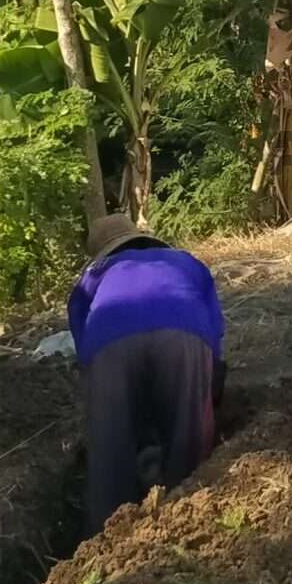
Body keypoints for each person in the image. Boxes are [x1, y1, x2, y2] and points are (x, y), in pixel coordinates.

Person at [67, 215, 226, 528]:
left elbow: (81, 336)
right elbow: (215, 326)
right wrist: (207, 382)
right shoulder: (184, 262)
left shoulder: (96, 272)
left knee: (111, 442)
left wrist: (100, 389)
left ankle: (103, 536)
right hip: (185, 332)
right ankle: (188, 517)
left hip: (109, 339)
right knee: (186, 434)